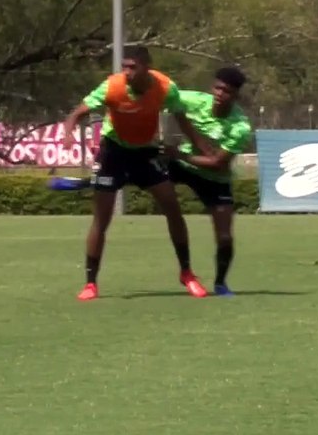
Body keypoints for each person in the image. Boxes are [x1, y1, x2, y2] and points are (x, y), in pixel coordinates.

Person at [62, 46, 212, 301]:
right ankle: (90, 283)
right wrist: (68, 132)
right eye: (124, 67)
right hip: (114, 153)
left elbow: (182, 119)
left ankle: (187, 273)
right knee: (102, 218)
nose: (126, 72)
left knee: (172, 207)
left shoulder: (165, 87)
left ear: (146, 66)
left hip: (144, 153)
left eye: (132, 66)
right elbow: (77, 113)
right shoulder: (112, 87)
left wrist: (202, 146)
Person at [161, 68, 253, 297]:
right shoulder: (193, 100)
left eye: (228, 91)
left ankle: (221, 283)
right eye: (218, 88)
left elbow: (217, 164)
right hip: (181, 167)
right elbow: (163, 95)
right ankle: (96, 183)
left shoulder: (240, 127)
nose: (221, 94)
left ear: (235, 96)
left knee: (224, 236)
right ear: (213, 88)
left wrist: (179, 155)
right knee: (144, 174)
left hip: (214, 177)